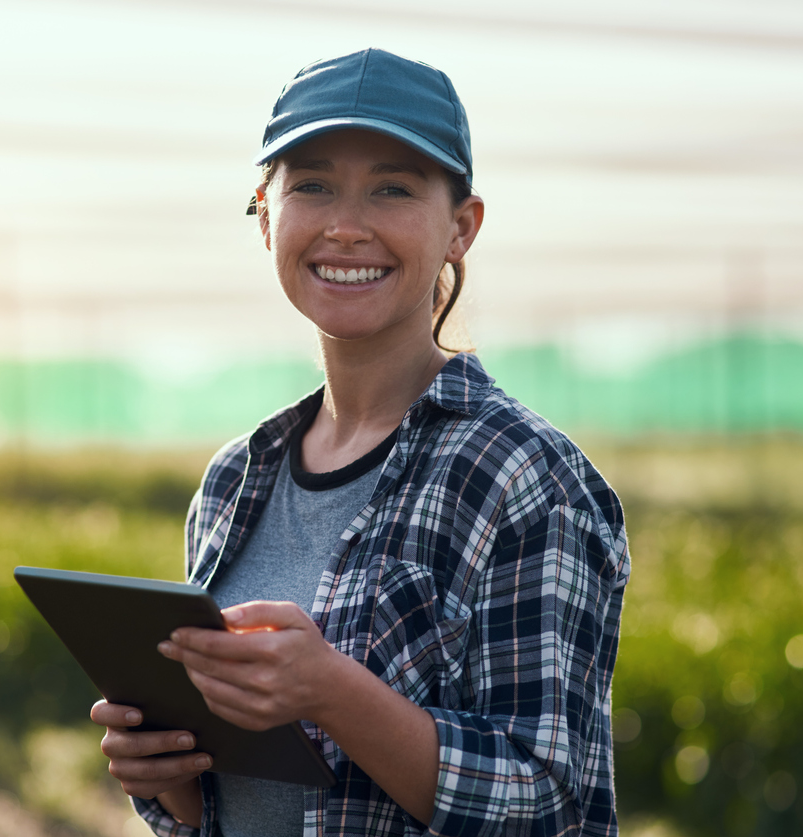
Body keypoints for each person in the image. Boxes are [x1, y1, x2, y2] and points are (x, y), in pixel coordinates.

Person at [90, 48, 631, 837]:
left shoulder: (521, 479)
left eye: (393, 188)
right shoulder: (236, 480)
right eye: (311, 184)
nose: (346, 225)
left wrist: (331, 691)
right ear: (267, 214)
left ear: (461, 227)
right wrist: (169, 779)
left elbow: (546, 801)